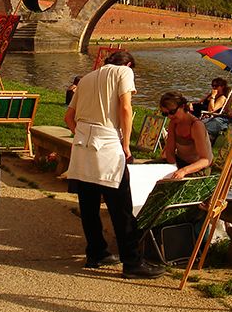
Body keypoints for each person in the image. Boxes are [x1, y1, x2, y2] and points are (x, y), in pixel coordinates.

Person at [64, 50, 164, 280]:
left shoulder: (88, 77)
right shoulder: (124, 72)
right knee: (121, 208)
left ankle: (96, 252)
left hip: (82, 146)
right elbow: (126, 108)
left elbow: (69, 117)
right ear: (128, 64)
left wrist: (81, 134)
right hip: (107, 143)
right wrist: (126, 144)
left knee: (88, 205)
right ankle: (132, 261)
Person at [159, 91, 213, 179]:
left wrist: (184, 170)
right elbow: (170, 151)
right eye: (165, 114)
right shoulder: (173, 123)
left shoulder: (196, 126)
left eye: (172, 112)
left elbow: (205, 160)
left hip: (199, 168)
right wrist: (172, 168)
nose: (169, 116)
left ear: (183, 106)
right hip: (181, 162)